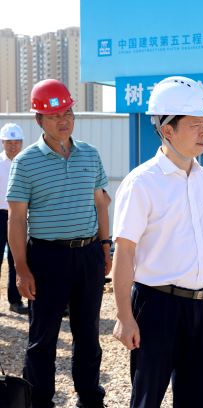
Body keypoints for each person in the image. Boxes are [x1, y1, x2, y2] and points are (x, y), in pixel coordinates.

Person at [111, 76, 203, 408]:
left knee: (199, 400)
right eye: (194, 125)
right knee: (148, 398)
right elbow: (125, 252)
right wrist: (124, 315)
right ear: (167, 130)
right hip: (158, 306)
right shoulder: (142, 183)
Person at [8, 79, 110, 408]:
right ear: (39, 119)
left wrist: (105, 246)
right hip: (47, 258)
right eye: (54, 116)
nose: (63, 120)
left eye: (67, 113)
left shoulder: (90, 155)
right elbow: (17, 219)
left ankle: (90, 397)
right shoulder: (25, 162)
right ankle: (40, 401)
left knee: (88, 332)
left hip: (88, 254)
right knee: (43, 336)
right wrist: (21, 268)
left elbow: (101, 203)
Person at [0, 123, 26, 315]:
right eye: (9, 142)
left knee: (16, 259)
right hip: (0, 214)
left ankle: (15, 301)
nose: (13, 146)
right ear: (3, 142)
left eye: (16, 142)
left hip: (19, 216)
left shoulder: (26, 163)